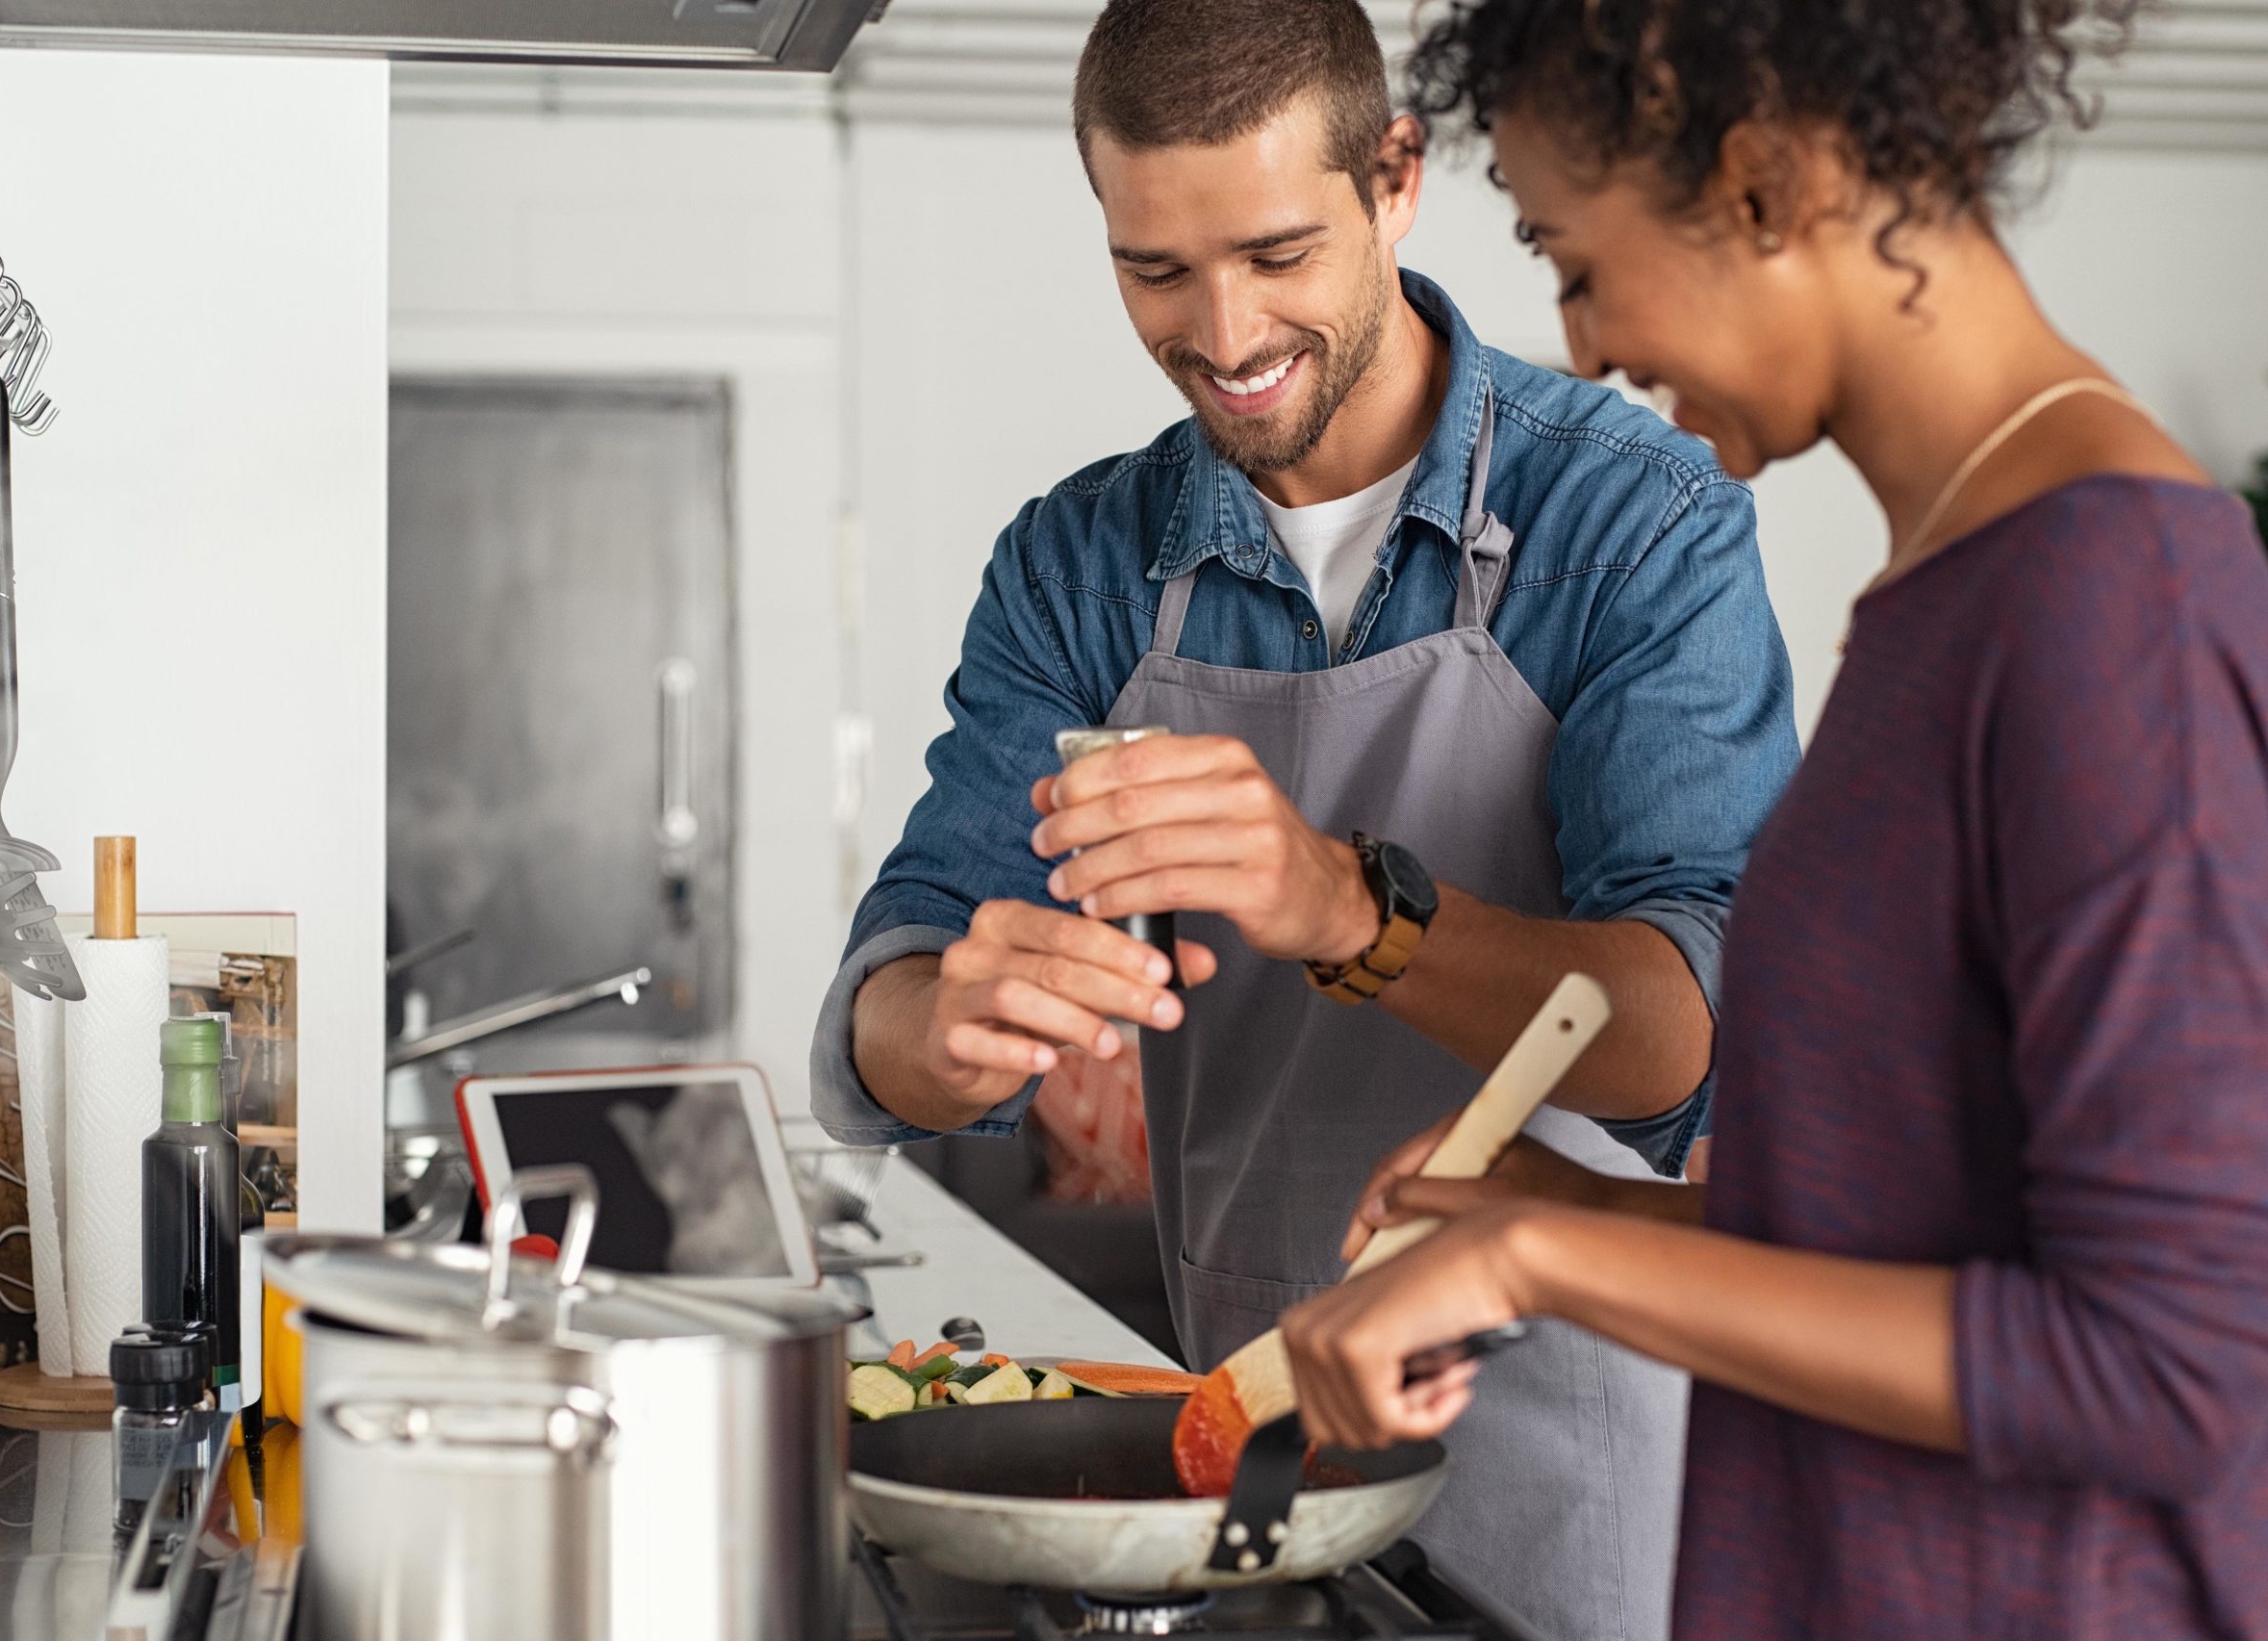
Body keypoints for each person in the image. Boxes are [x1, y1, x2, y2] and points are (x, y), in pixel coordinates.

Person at [1277, 1, 2268, 1635]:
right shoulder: (1950, 590)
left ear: (1760, 187)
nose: (1579, 344)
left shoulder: (2116, 609)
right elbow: (1929, 1223)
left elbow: (2170, 1363)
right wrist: (1571, 1203)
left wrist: (1546, 1268)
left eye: (1575, 259)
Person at [810, 0, 1801, 1631]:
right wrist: (954, 1021)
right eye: (1156, 271)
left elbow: (1691, 1033)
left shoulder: (1636, 522)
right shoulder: (1079, 566)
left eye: (1276, 252)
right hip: (1251, 1462)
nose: (1222, 329)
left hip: (1586, 1480)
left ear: (1394, 179)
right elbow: (882, 1016)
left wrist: (1346, 904)